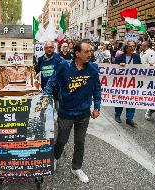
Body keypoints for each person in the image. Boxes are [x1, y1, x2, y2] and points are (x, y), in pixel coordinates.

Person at [44, 41, 101, 183]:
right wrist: (45, 98)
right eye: (86, 51)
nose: (90, 54)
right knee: (62, 140)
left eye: (90, 51)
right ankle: (55, 158)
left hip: (83, 114)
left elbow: (97, 88)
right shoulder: (63, 66)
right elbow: (52, 82)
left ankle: (76, 168)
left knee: (80, 142)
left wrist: (97, 106)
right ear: (77, 53)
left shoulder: (93, 68)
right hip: (66, 112)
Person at [114, 41, 142, 127]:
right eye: (130, 46)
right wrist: (119, 65)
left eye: (134, 46)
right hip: (122, 82)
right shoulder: (119, 57)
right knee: (120, 99)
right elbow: (112, 68)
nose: (132, 48)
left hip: (132, 83)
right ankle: (117, 115)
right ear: (126, 48)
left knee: (132, 100)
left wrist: (150, 66)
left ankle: (129, 119)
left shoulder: (137, 57)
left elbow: (141, 68)